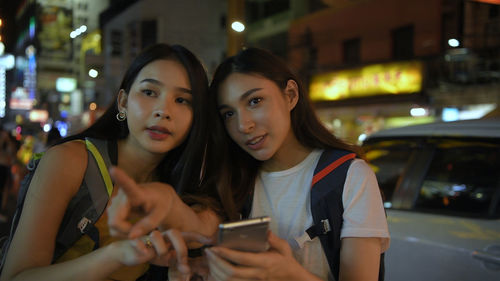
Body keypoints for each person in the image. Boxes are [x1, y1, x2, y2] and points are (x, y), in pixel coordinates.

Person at [0, 43, 220, 281]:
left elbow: (210, 229)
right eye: (149, 92)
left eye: (182, 100)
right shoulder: (72, 161)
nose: (163, 111)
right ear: (123, 102)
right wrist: (114, 256)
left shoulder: (185, 185)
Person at [202, 47, 390, 281]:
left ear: (290, 95)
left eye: (254, 101)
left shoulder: (349, 176)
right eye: (229, 114)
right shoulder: (230, 182)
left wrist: (288, 274)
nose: (243, 125)